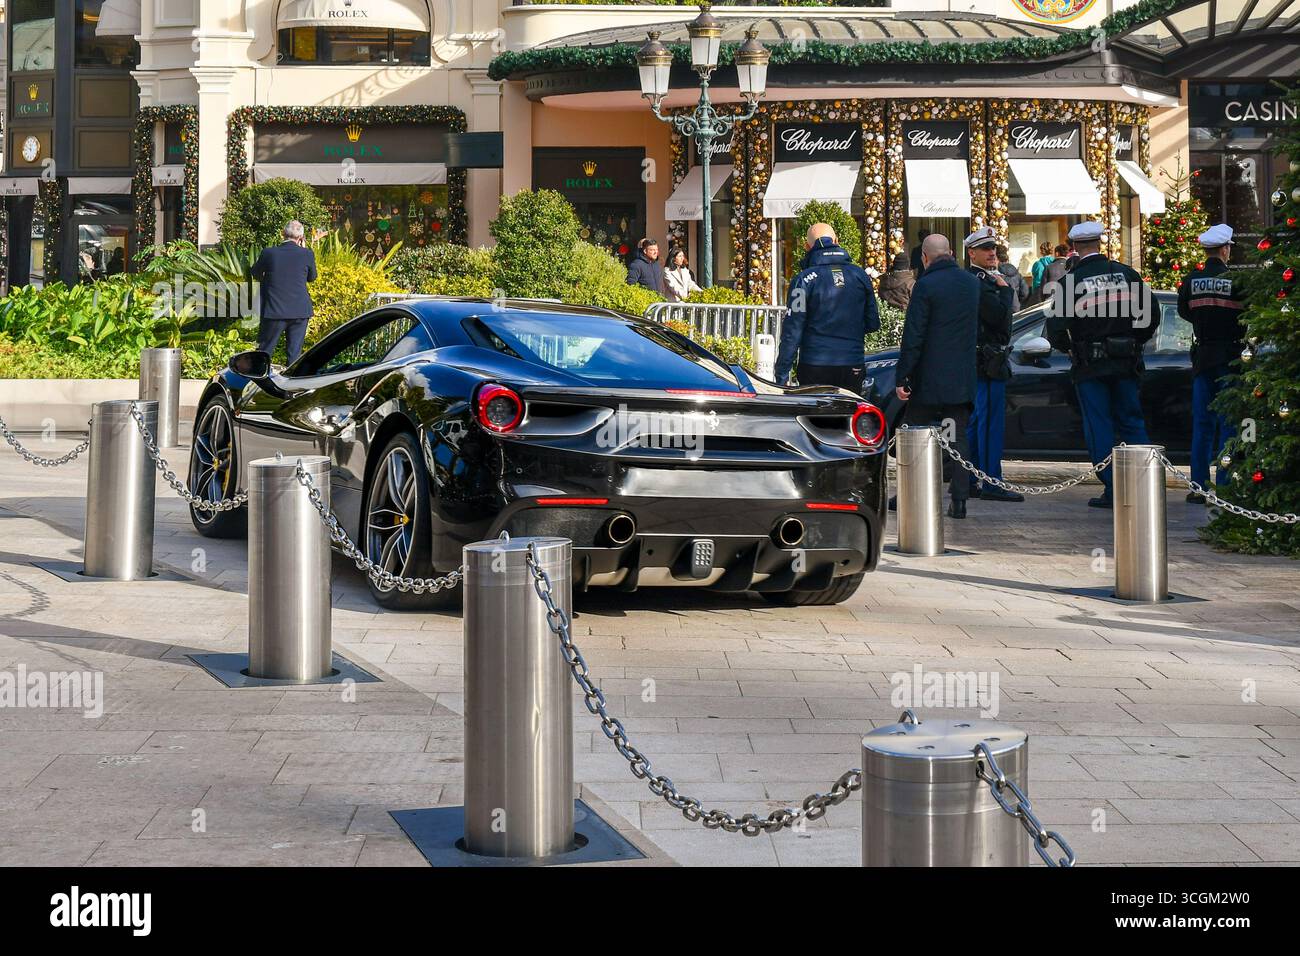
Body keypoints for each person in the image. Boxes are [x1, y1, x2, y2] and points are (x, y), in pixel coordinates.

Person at [1044, 221, 1158, 509]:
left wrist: (1071, 350)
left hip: (1090, 366)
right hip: (1126, 363)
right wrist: (1133, 342)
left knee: (1099, 425)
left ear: (1075, 248)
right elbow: (1152, 316)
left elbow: (1056, 328)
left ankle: (1112, 489)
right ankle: (1141, 484)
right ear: (1099, 244)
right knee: (1132, 422)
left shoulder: (1070, 283)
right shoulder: (1127, 274)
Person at [894, 233, 981, 518]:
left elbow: (914, 335)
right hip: (961, 378)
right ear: (953, 252)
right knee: (956, 437)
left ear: (925, 257)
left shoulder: (926, 285)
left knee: (914, 432)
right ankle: (959, 499)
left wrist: (903, 376)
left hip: (929, 380)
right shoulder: (971, 283)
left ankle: (909, 491)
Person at [1178, 223, 1246, 503]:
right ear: (1225, 249)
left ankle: (1199, 486)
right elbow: (1246, 318)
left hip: (1203, 358)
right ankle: (1225, 487)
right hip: (1230, 359)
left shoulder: (1191, 281)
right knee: (1229, 426)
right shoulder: (1237, 283)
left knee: (1202, 426)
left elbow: (1185, 312)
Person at [775, 222, 880, 392]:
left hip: (815, 363)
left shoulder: (803, 280)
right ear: (836, 241)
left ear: (807, 246)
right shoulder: (860, 275)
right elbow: (873, 323)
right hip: (852, 362)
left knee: (815, 417)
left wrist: (782, 373)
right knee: (849, 415)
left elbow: (792, 331)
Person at [964, 228, 1023, 504]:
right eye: (986, 249)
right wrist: (1005, 290)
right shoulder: (980, 282)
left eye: (994, 249)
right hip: (986, 362)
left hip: (985, 360)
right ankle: (990, 480)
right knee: (988, 424)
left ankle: (976, 477)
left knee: (980, 423)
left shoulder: (986, 279)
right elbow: (1000, 319)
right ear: (971, 253)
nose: (992, 254)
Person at [250, 220, 318, 365]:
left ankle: (258, 382)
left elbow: (255, 272)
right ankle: (291, 385)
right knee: (294, 354)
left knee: (265, 351)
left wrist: (267, 279)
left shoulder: (269, 253)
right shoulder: (307, 254)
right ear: (301, 238)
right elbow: (311, 278)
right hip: (300, 311)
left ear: (283, 234)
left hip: (275, 310)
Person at [995, 245, 1029, 312]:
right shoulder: (1016, 272)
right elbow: (1025, 292)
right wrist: (1018, 301)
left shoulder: (996, 273)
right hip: (1016, 308)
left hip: (1003, 309)